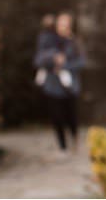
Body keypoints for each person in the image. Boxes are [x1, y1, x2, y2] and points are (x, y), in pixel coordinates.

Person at [34, 12, 85, 152]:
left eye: (66, 23)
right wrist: (53, 58)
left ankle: (74, 139)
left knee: (71, 116)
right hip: (52, 85)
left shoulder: (75, 42)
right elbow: (38, 60)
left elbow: (81, 62)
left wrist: (65, 65)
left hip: (70, 85)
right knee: (56, 117)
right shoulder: (48, 40)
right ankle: (62, 146)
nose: (63, 26)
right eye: (61, 23)